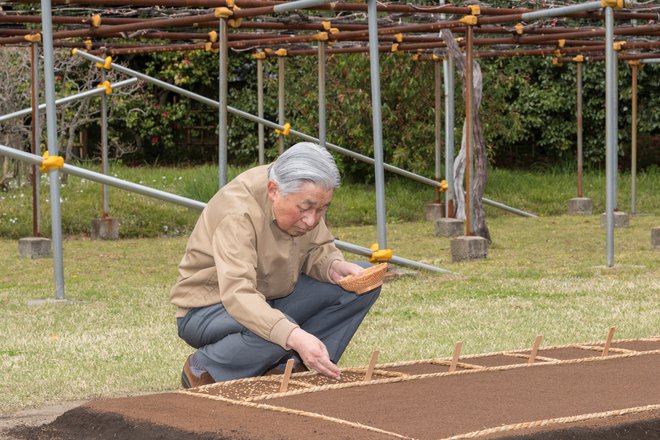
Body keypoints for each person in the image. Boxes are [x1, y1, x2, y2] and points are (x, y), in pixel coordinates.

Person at [171, 142, 381, 388]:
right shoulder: (237, 214)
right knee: (278, 333)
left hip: (273, 298)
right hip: (208, 309)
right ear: (273, 190)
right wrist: (293, 334)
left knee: (359, 287)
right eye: (305, 208)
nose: (312, 219)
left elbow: (317, 248)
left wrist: (333, 266)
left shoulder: (299, 193)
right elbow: (238, 295)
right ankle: (205, 367)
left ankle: (290, 367)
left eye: (322, 209)